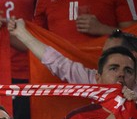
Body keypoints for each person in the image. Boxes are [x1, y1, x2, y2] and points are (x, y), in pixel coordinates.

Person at [9, 18, 137, 84]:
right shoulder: (94, 79)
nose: (104, 59)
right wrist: (21, 34)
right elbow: (58, 63)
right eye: (113, 68)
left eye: (111, 54)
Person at [33, 0, 136, 45]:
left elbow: (133, 37)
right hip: (58, 74)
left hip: (101, 71)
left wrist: (104, 29)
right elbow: (35, 39)